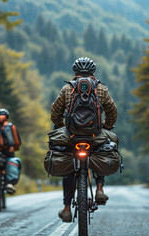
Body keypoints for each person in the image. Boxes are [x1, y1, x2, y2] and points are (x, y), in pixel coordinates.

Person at [50, 57, 117, 222]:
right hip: (94, 134)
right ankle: (100, 189)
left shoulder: (67, 89)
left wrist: (60, 126)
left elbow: (55, 112)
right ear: (93, 72)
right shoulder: (101, 88)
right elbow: (112, 111)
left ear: (75, 72)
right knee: (105, 147)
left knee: (68, 163)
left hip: (72, 136)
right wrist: (107, 127)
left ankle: (66, 209)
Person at [0, 108, 21, 194]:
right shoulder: (10, 126)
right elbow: (16, 141)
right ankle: (10, 183)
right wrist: (15, 148)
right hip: (7, 151)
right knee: (12, 161)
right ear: (7, 117)